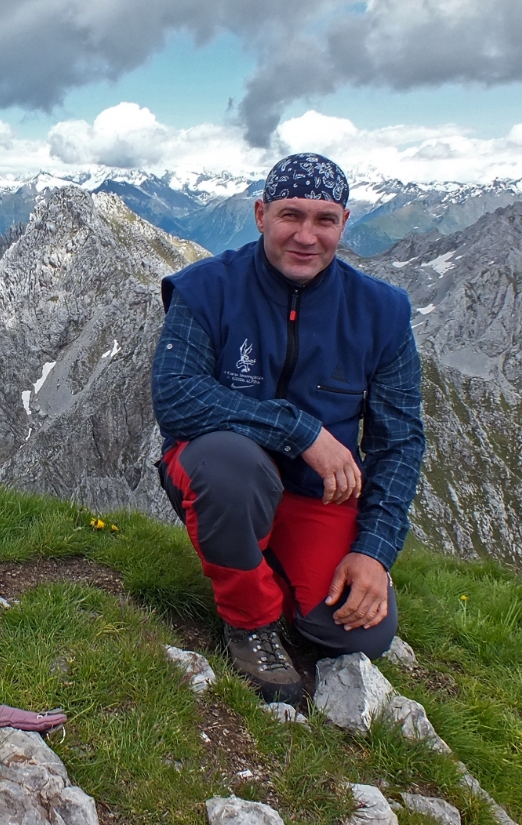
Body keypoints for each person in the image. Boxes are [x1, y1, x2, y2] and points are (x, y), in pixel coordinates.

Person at [151, 153, 425, 703]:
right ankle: (250, 622)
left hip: (314, 497)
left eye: (324, 220)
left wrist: (374, 552)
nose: (306, 235)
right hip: (225, 475)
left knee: (359, 631)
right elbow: (176, 397)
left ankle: (264, 559)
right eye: (290, 215)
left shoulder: (383, 312)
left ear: (344, 223)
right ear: (260, 214)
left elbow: (400, 442)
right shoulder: (206, 289)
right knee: (232, 465)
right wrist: (301, 431)